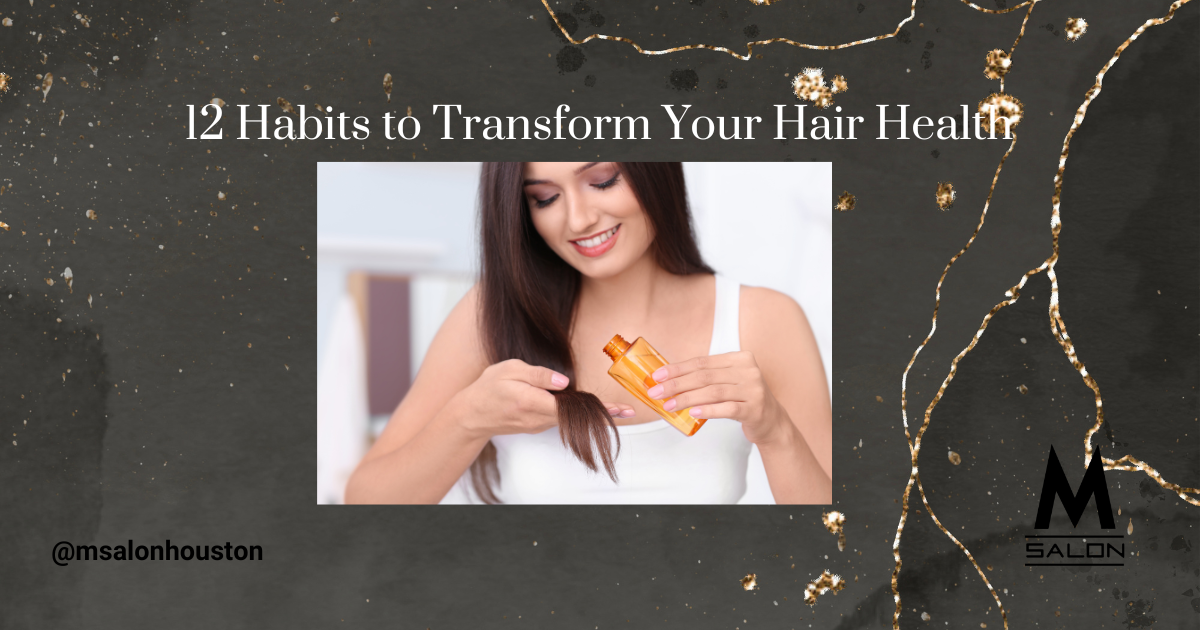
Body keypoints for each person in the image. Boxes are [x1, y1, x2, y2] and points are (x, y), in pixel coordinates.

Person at [344, 162, 830, 504]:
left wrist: (777, 430)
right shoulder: (489, 315)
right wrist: (469, 418)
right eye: (545, 198)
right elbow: (366, 505)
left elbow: (841, 545)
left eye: (602, 181)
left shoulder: (763, 319)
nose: (577, 219)